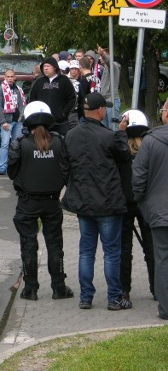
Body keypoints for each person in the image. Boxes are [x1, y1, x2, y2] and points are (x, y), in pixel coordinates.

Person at [62, 92, 132, 311]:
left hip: (84, 203)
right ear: (100, 110)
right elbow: (125, 157)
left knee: (86, 251)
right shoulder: (108, 136)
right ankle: (113, 298)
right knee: (111, 252)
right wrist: (121, 133)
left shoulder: (71, 136)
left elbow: (65, 169)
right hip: (108, 203)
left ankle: (86, 297)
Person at [7, 101, 73, 301]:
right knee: (55, 245)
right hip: (52, 201)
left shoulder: (21, 143)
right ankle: (59, 288)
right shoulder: (59, 142)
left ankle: (31, 289)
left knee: (28, 245)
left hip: (28, 202)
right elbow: (66, 169)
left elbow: (12, 172)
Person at [132, 98, 168, 319]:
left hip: (159, 212)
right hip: (158, 210)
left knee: (162, 259)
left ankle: (165, 309)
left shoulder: (150, 142)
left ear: (165, 114)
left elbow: (138, 179)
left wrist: (142, 203)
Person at [119, 110, 154, 303]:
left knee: (124, 249)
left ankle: (124, 290)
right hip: (146, 203)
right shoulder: (149, 150)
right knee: (151, 247)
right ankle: (157, 288)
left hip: (124, 204)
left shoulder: (119, 151)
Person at [28, 57, 76, 136]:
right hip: (43, 122)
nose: (46, 68)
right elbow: (32, 100)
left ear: (55, 67)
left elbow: (72, 99)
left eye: (48, 66)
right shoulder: (38, 82)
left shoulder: (64, 80)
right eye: (44, 66)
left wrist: (64, 113)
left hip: (61, 122)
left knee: (63, 144)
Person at [0, 69, 26, 175]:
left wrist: (22, 117)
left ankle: (14, 165)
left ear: (15, 77)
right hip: (7, 121)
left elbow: (22, 104)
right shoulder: (0, 89)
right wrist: (3, 121)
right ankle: (2, 167)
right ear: (4, 77)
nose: (10, 78)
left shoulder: (18, 89)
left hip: (18, 121)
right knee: (4, 144)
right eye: (8, 76)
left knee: (16, 144)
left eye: (12, 76)